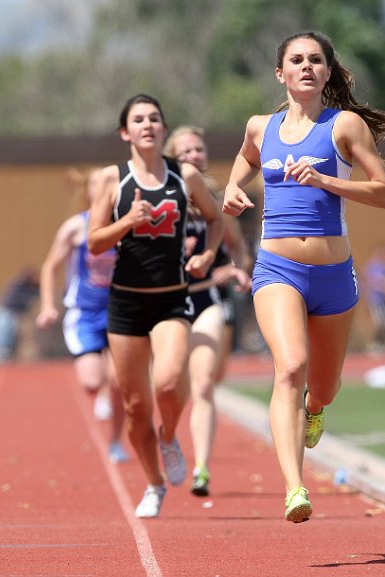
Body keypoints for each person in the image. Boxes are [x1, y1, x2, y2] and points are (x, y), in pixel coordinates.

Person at [222, 30, 385, 523]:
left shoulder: (343, 126)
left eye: (316, 60)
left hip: (333, 276)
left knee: (321, 387)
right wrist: (232, 188)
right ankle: (294, 488)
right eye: (297, 60)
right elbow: (245, 157)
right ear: (280, 73)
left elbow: (383, 193)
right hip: (277, 268)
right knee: (289, 367)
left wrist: (325, 179)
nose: (307, 66)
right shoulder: (262, 127)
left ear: (327, 72)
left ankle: (316, 408)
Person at [87, 94, 223, 518]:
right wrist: (128, 222)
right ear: (125, 132)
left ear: (163, 129)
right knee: (133, 405)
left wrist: (205, 254)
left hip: (170, 301)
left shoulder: (184, 176)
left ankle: (169, 437)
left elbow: (216, 219)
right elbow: (94, 242)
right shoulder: (113, 179)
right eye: (138, 120)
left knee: (167, 383)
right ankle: (153, 484)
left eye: (154, 119)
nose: (147, 125)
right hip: (125, 305)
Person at [164, 125, 252, 496]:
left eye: (198, 149)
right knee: (170, 387)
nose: (194, 156)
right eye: (185, 151)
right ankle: (167, 436)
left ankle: (201, 469)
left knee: (203, 384)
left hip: (205, 300)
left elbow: (237, 246)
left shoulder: (214, 199)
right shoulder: (158, 197)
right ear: (171, 157)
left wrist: (236, 270)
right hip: (165, 304)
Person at [36, 168, 129, 464]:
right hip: (85, 313)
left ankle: (115, 440)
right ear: (88, 191)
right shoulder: (75, 228)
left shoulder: (126, 225)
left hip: (120, 310)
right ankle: (100, 390)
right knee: (91, 381)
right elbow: (50, 267)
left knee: (119, 382)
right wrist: (48, 306)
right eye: (96, 185)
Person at [0, 267, 39, 362]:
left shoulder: (26, 287)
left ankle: (8, 356)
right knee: (4, 337)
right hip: (4, 312)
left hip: (9, 314)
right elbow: (24, 301)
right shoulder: (20, 286)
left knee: (12, 337)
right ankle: (3, 357)